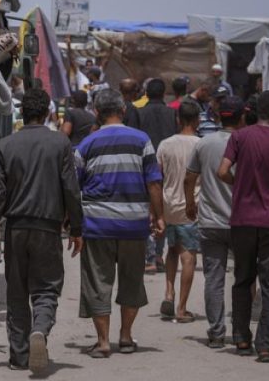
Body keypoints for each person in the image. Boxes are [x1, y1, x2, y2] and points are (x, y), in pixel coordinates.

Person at [0, 88, 84, 373]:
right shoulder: (60, 143)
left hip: (15, 228)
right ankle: (39, 330)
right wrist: (77, 228)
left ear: (23, 113)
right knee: (46, 289)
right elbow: (70, 189)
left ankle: (19, 356)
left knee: (16, 294)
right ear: (47, 112)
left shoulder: (6, 145)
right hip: (48, 229)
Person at [74, 89, 165, 358]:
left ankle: (103, 342)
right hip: (133, 225)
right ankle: (125, 337)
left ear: (96, 113)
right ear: (123, 111)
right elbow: (154, 182)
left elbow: (73, 185)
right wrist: (159, 216)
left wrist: (71, 221)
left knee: (97, 282)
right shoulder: (142, 140)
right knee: (132, 281)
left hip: (97, 225)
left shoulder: (87, 144)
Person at [217, 89, 269, 362]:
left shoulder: (239, 136)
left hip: (242, 219)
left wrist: (239, 185)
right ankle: (265, 344)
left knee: (242, 278)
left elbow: (222, 171)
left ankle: (241, 338)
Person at [185, 95, 245, 349]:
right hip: (243, 221)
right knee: (244, 278)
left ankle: (217, 332)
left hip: (210, 222)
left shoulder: (204, 143)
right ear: (242, 117)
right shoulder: (248, 142)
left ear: (218, 116)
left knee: (214, 279)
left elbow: (189, 179)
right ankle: (241, 333)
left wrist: (190, 204)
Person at [156, 101, 202, 324]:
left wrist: (154, 211)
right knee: (189, 257)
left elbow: (157, 177)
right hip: (190, 208)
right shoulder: (200, 145)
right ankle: (182, 309)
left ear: (178, 119)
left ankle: (168, 292)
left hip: (168, 205)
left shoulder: (165, 144)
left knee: (172, 250)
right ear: (197, 120)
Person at [135, 78, 177, 150]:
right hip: (168, 154)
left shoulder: (138, 113)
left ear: (147, 94)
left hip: (146, 156)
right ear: (163, 94)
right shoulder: (173, 113)